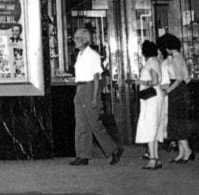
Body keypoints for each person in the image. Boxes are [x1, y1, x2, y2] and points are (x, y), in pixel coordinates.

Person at [69, 28, 122, 166]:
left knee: (94, 123)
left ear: (84, 40)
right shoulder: (80, 55)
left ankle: (113, 149)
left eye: (76, 38)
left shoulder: (92, 55)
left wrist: (94, 98)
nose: (74, 40)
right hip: (80, 88)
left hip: (89, 87)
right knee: (81, 124)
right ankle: (82, 154)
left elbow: (97, 78)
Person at [159, 33, 194, 163]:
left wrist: (168, 90)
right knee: (176, 121)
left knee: (178, 121)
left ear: (168, 46)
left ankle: (187, 151)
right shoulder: (177, 56)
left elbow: (179, 78)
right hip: (179, 90)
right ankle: (182, 152)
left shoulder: (176, 58)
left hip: (177, 90)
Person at [135, 40, 164, 170]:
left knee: (149, 126)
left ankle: (152, 159)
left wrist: (139, 81)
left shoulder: (151, 62)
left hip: (151, 98)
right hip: (156, 97)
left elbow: (155, 80)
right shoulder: (155, 61)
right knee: (155, 126)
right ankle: (155, 157)